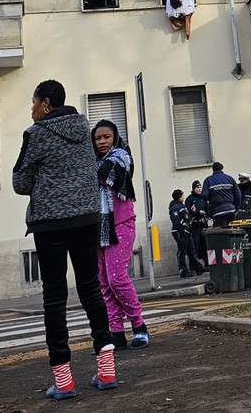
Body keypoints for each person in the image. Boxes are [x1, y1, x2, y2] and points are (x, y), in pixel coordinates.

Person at [13, 80, 118, 399]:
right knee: (91, 290)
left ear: (46, 103)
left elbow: (20, 182)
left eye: (33, 103)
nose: (31, 109)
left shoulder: (36, 134)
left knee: (55, 296)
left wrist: (44, 181)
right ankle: (107, 371)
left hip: (50, 225)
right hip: (86, 218)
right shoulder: (84, 127)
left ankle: (63, 380)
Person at [91, 119, 149, 350]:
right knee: (103, 282)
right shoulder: (90, 162)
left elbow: (106, 175)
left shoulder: (121, 158)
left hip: (121, 223)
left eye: (107, 137)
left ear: (115, 138)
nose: (103, 141)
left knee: (117, 278)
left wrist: (87, 166)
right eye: (97, 138)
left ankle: (139, 325)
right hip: (97, 227)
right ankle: (116, 330)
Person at [169, 189, 203, 277]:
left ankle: (196, 267)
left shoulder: (182, 206)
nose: (184, 196)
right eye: (182, 195)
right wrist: (182, 231)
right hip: (180, 232)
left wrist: (192, 211)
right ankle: (183, 270)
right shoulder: (175, 207)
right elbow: (175, 220)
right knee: (182, 251)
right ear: (179, 197)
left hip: (187, 231)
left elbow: (187, 217)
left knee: (191, 250)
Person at [201, 162, 242, 228]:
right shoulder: (230, 179)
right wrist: (236, 207)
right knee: (232, 231)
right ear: (222, 168)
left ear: (213, 170)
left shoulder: (208, 180)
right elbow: (238, 195)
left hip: (217, 211)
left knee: (221, 233)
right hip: (231, 210)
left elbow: (204, 196)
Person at [184, 180, 210, 269]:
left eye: (200, 187)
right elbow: (188, 213)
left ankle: (207, 263)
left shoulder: (203, 198)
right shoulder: (190, 199)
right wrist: (195, 212)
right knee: (195, 245)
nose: (199, 189)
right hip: (195, 225)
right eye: (197, 187)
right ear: (193, 188)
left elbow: (208, 209)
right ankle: (194, 265)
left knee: (205, 245)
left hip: (203, 224)